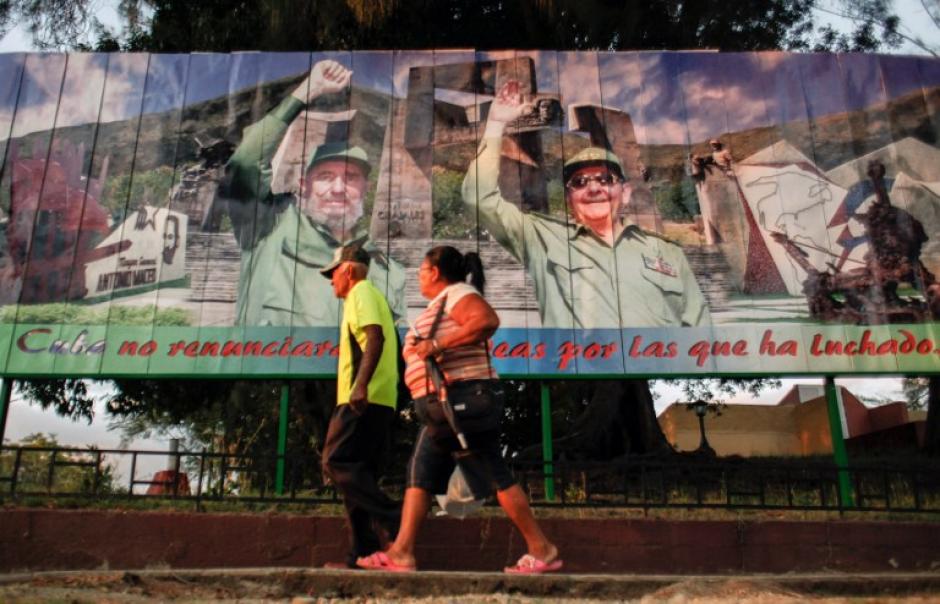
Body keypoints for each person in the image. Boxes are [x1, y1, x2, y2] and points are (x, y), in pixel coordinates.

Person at [356, 245, 562, 574]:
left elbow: (485, 321)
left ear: (434, 272)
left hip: (462, 401)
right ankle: (401, 552)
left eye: (421, 271)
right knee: (421, 473)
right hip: (445, 407)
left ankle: (542, 548)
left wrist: (435, 345)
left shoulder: (458, 294)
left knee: (491, 473)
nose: (419, 278)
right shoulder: (443, 302)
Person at [463, 81, 710, 329]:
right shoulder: (541, 238)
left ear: (624, 192)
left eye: (605, 179)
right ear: (569, 197)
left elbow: (701, 333)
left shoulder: (668, 253)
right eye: (579, 182)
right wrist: (495, 125)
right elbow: (478, 198)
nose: (593, 188)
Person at [219, 59, 406, 327]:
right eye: (325, 177)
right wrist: (306, 93)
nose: (338, 189)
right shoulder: (268, 226)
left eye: (351, 177)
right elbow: (245, 163)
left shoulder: (386, 269)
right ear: (304, 185)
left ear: (365, 188)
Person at [319, 243, 402, 569]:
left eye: (333, 273)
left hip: (362, 398)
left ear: (348, 270)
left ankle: (394, 517)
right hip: (378, 398)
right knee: (357, 472)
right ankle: (363, 554)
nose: (330, 282)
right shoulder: (370, 295)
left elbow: (375, 337)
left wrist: (360, 386)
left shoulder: (361, 293)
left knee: (335, 461)